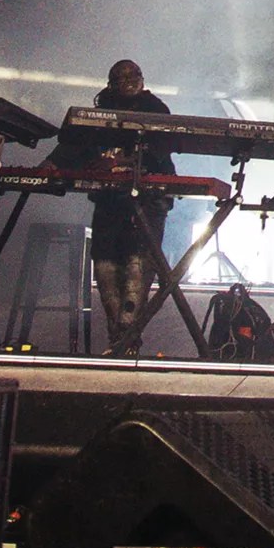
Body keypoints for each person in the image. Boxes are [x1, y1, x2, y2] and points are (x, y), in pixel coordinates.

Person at [48, 59, 178, 356]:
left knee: (137, 268)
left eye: (135, 75)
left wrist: (126, 162)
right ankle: (117, 341)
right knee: (105, 269)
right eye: (122, 77)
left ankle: (127, 341)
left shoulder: (156, 109)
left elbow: (161, 148)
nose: (130, 81)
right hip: (109, 201)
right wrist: (51, 165)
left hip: (147, 202)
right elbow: (73, 145)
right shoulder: (101, 111)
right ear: (110, 82)